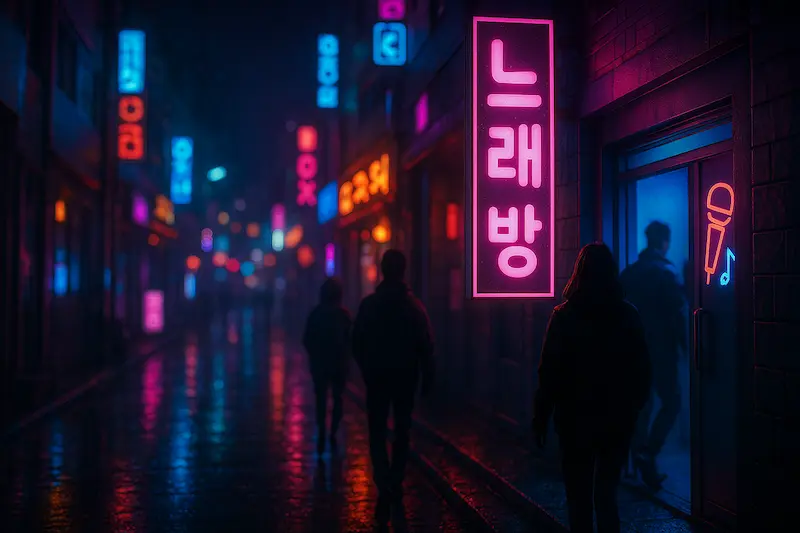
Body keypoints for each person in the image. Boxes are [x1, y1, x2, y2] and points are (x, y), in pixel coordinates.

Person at [533, 243, 651, 533]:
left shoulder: (564, 317)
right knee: (607, 495)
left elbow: (549, 373)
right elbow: (642, 368)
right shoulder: (627, 315)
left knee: (578, 498)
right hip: (616, 418)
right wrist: (634, 409)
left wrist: (541, 416)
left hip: (575, 419)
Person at [352, 249, 434, 526]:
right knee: (402, 428)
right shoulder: (414, 307)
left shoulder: (369, 305)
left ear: (382, 270)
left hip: (376, 377)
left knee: (376, 429)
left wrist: (365, 368)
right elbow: (426, 345)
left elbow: (357, 342)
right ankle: (395, 478)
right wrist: (428, 378)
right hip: (405, 377)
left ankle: (382, 477)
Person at [620, 221, 687, 489]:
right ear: (665, 242)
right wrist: (687, 347)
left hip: (632, 351)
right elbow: (676, 316)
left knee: (642, 406)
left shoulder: (629, 273)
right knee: (671, 404)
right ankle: (647, 455)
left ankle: (639, 460)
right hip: (661, 352)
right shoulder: (667, 273)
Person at [302, 278, 352, 454]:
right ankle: (333, 431)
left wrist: (315, 355)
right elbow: (351, 340)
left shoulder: (316, 314)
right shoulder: (344, 315)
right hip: (339, 364)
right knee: (338, 399)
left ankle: (322, 429)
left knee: (321, 399)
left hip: (320, 364)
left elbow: (307, 339)